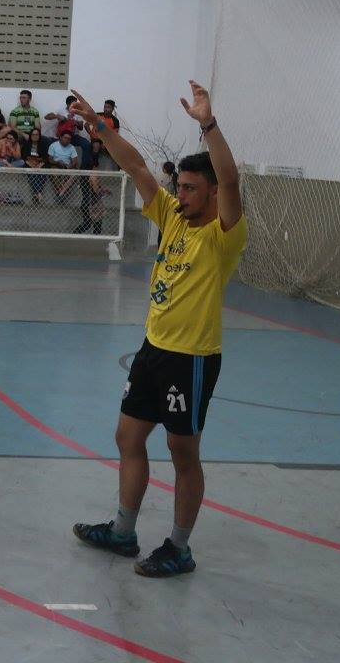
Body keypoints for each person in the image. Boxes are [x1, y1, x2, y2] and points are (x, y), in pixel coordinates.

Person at [70, 82, 246, 578]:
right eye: (180, 186)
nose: (180, 194)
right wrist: (100, 126)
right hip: (153, 350)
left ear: (211, 193)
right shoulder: (172, 216)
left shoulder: (223, 235)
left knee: (182, 451)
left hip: (191, 358)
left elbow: (231, 179)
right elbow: (136, 167)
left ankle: (179, 547)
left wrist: (208, 124)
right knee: (128, 437)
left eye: (190, 188)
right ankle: (123, 532)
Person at [47, 130, 81, 200]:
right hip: (56, 166)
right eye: (65, 138)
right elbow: (50, 160)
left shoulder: (72, 147)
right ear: (60, 137)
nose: (67, 140)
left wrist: (69, 166)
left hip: (67, 167)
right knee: (53, 173)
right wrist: (57, 162)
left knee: (75, 175)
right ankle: (62, 193)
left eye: (69, 139)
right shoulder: (53, 145)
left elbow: (75, 161)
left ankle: (60, 194)